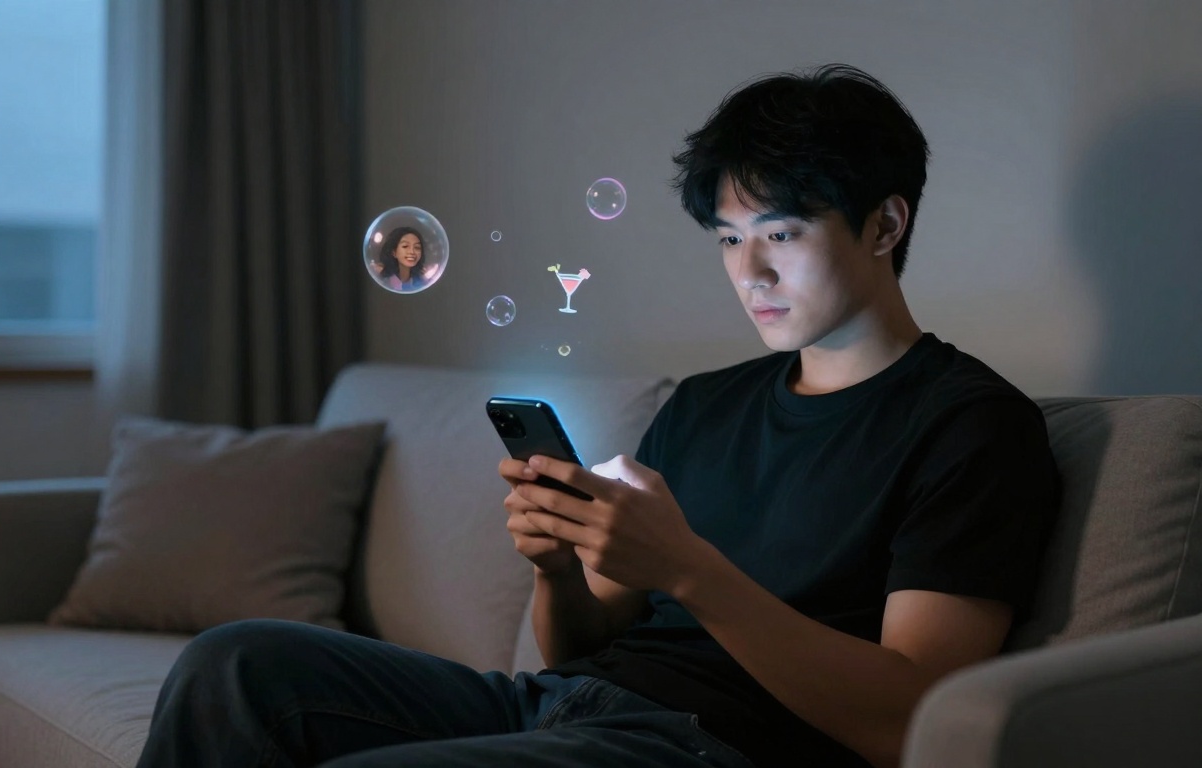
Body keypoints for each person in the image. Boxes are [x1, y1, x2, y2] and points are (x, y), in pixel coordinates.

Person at [135, 63, 1060, 768]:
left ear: (885, 226)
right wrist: (556, 568)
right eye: (730, 240)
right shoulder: (705, 405)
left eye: (781, 233)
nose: (750, 273)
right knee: (233, 667)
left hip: (714, 746)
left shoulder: (971, 427)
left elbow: (913, 717)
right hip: (559, 704)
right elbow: (578, 642)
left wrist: (692, 570)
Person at [375, 226, 430, 291]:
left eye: (417, 247)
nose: (412, 252)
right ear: (394, 252)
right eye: (405, 246)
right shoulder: (382, 279)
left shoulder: (422, 282)